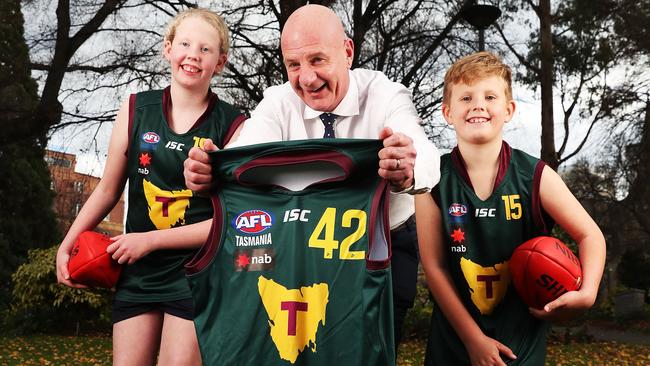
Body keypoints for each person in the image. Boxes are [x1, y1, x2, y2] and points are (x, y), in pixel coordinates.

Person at [183, 4, 440, 349]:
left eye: (317, 60)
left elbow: (427, 157)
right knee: (302, 349)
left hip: (383, 245)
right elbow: (240, 159)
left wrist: (408, 168)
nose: (306, 78)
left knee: (369, 350)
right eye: (293, 65)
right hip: (304, 244)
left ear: (347, 52)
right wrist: (208, 171)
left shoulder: (385, 94)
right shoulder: (277, 102)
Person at [55, 8, 245, 366]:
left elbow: (231, 220)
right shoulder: (135, 108)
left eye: (206, 49)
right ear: (168, 49)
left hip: (197, 272)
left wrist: (149, 240)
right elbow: (108, 190)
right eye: (185, 44)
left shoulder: (234, 125)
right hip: (137, 269)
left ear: (220, 62)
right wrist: (67, 245)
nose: (193, 54)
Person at [415, 51, 606, 365]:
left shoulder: (536, 176)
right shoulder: (430, 179)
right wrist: (473, 339)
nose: (478, 105)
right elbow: (434, 266)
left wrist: (588, 293)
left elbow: (591, 236)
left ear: (509, 109)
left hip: (520, 343)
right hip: (453, 342)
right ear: (447, 112)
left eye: (490, 96)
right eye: (466, 97)